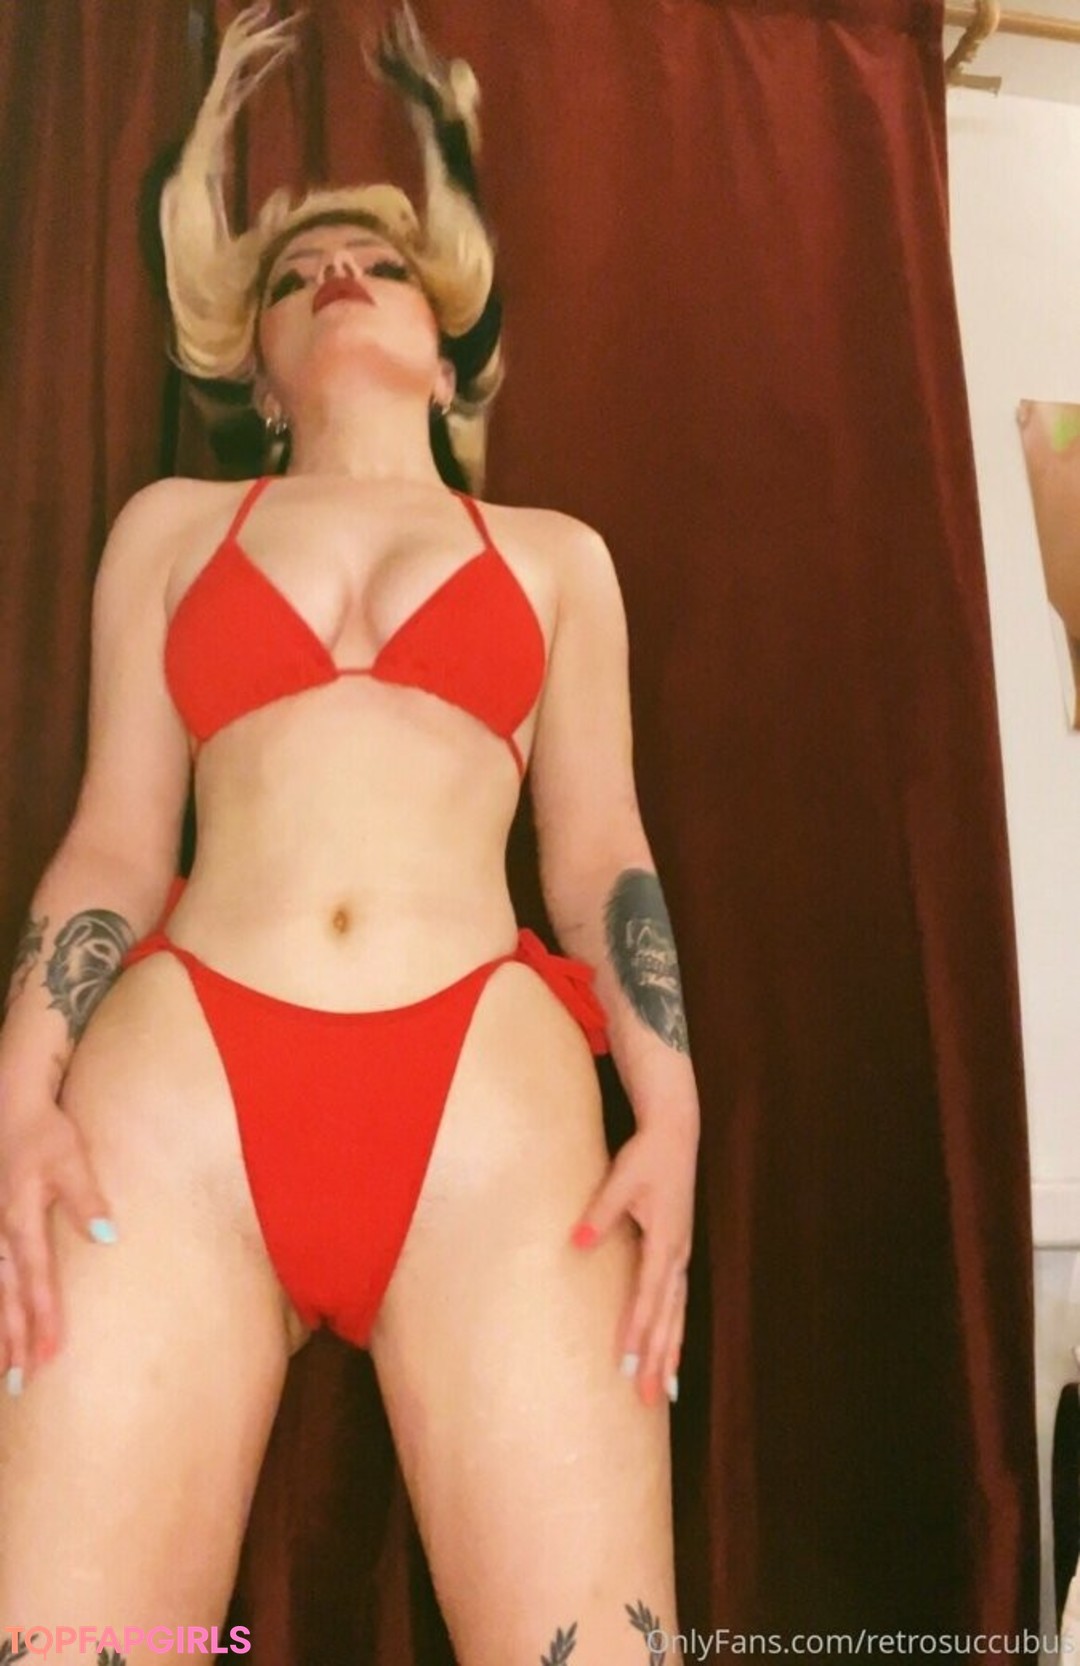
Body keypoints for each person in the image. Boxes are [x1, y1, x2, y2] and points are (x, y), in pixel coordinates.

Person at [0, 7, 700, 1662]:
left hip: (489, 1112)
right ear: (252, 365)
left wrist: (674, 1112)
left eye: (378, 261)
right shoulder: (170, 530)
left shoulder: (555, 555)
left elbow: (600, 858)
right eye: (299, 268)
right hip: (176, 1098)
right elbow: (113, 845)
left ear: (452, 353)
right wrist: (17, 1090)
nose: (338, 274)